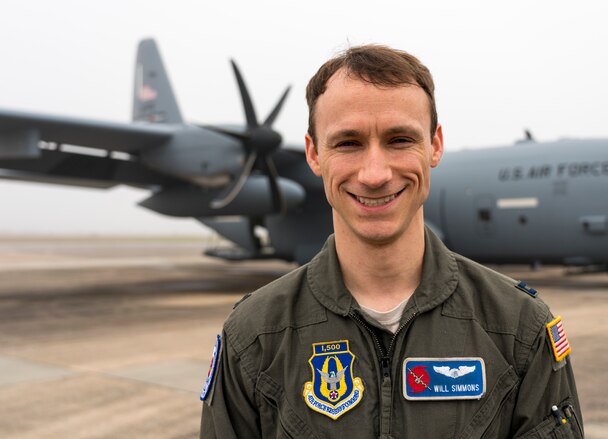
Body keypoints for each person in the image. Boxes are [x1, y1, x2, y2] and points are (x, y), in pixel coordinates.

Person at [200, 44, 583, 438]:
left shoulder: (521, 328)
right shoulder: (252, 336)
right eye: (348, 142)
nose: (375, 173)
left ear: (434, 145)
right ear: (314, 154)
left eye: (400, 139)